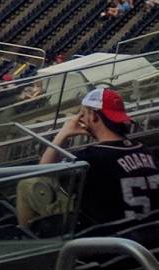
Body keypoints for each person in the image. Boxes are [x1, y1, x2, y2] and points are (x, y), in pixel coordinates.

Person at [38, 86, 154, 228]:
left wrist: (63, 134)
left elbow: (42, 172)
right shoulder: (146, 150)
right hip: (148, 234)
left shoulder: (90, 159)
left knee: (26, 186)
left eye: (82, 113)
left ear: (92, 115)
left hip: (106, 240)